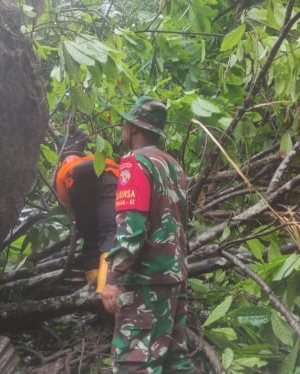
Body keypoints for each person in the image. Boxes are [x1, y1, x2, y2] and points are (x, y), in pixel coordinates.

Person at [99, 96, 194, 373]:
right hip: (175, 279)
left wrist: (114, 280)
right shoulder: (172, 165)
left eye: (125, 126)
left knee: (134, 363)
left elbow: (131, 231)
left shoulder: (134, 163)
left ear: (134, 128)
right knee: (175, 360)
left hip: (145, 284)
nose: (123, 131)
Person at [55, 115, 119, 286]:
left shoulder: (63, 170)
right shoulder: (94, 159)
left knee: (91, 239)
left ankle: (96, 289)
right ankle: (103, 287)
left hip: (75, 179)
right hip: (109, 173)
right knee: (109, 232)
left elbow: (69, 207)